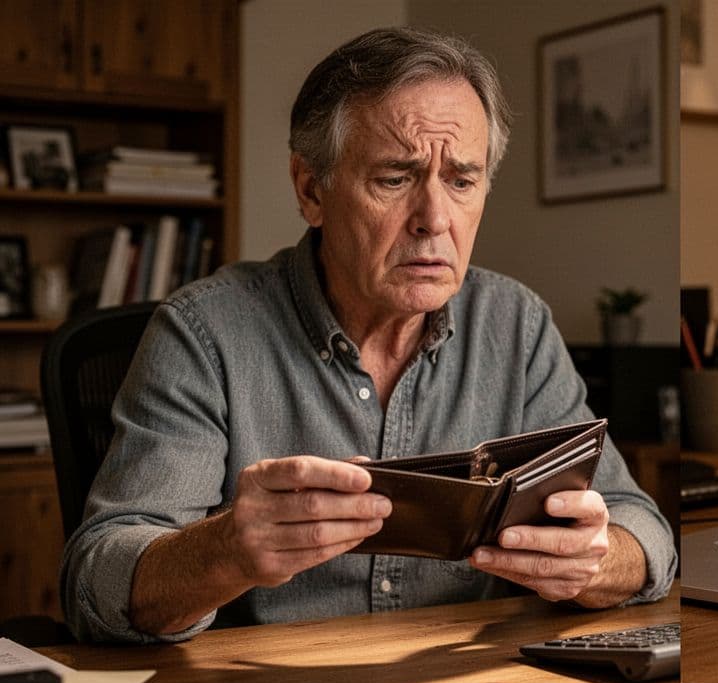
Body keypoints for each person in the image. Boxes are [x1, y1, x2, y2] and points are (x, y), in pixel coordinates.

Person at [60, 28, 676, 643]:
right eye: (394, 179)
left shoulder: (516, 325)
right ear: (311, 190)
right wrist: (224, 550)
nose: (435, 221)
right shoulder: (204, 333)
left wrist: (599, 560)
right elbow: (97, 583)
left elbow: (641, 531)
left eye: (462, 181)